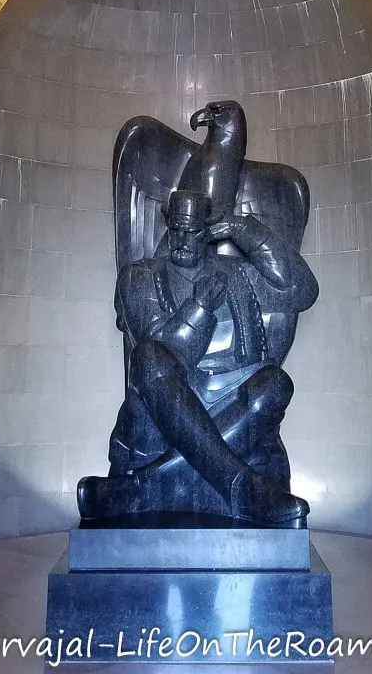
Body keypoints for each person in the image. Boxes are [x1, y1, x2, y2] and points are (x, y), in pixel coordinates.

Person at [77, 187, 319, 524]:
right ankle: (241, 486)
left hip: (233, 397)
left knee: (276, 384)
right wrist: (200, 307)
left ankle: (143, 488)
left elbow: (302, 291)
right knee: (147, 358)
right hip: (170, 397)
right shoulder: (140, 276)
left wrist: (246, 231)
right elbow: (164, 349)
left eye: (191, 231)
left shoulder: (236, 273)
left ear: (208, 231)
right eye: (175, 229)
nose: (180, 239)